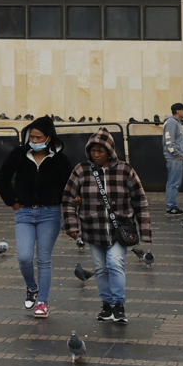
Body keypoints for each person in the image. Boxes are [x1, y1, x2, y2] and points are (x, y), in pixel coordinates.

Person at [63, 128, 151, 324]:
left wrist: (145, 230)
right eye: (92, 151)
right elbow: (68, 199)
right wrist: (71, 226)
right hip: (93, 229)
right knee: (100, 268)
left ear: (109, 151)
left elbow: (140, 199)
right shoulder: (81, 170)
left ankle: (118, 305)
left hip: (119, 229)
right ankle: (107, 305)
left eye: (100, 151)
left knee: (114, 262)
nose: (96, 155)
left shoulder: (125, 170)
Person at [0, 115, 71, 317]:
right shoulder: (19, 154)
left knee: (44, 259)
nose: (34, 141)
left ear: (48, 138)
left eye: (39, 137)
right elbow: (2, 177)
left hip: (50, 213)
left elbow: (70, 183)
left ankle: (43, 302)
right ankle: (31, 286)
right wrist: (12, 201)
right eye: (32, 137)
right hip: (24, 213)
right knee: (24, 257)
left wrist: (70, 203)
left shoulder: (60, 159)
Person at [161, 102, 183, 215]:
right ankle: (171, 207)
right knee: (173, 183)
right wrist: (176, 154)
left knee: (174, 182)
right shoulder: (172, 123)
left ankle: (172, 205)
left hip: (176, 158)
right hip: (174, 158)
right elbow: (169, 141)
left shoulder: (175, 123)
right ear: (178, 111)